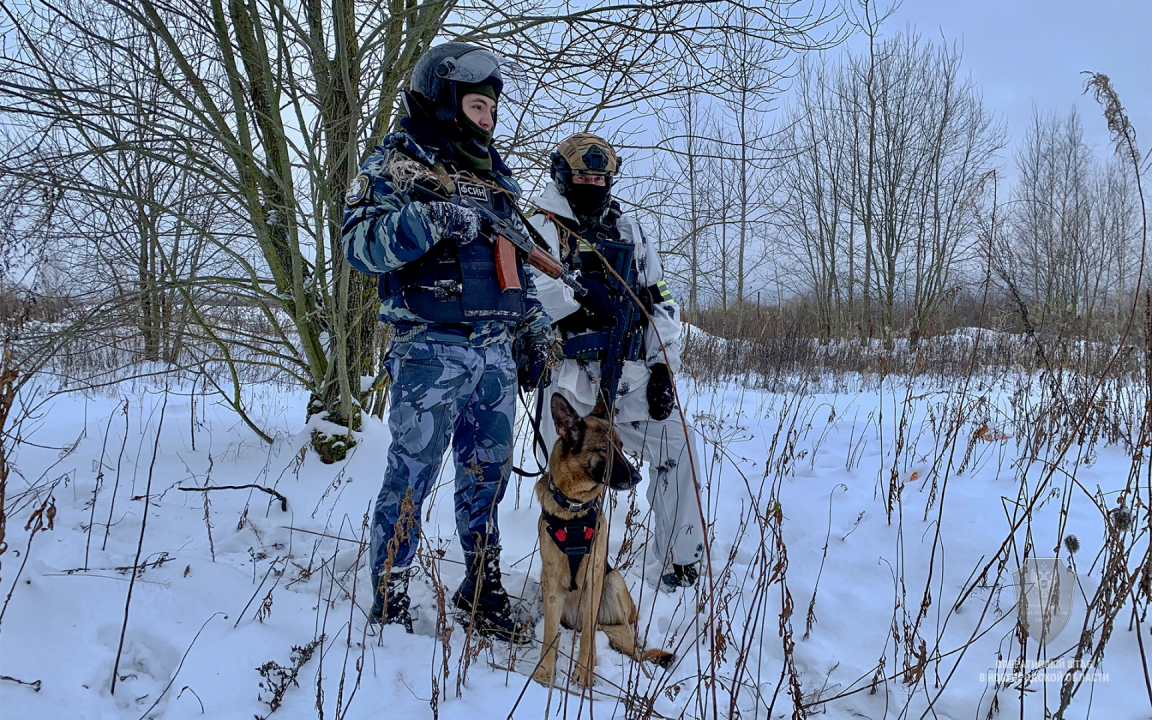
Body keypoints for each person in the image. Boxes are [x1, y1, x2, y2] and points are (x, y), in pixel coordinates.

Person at [343, 43, 553, 640]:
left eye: (492, 110)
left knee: (487, 476)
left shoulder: (493, 176)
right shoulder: (399, 162)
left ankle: (479, 586)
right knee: (410, 474)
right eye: (477, 105)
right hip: (429, 346)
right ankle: (390, 590)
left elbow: (518, 263)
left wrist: (533, 328)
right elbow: (358, 245)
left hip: (494, 352)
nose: (487, 119)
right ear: (443, 98)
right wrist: (430, 220)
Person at [527, 133, 705, 590]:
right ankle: (571, 578)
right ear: (564, 177)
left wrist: (664, 367)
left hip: (629, 380)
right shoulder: (539, 228)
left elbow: (660, 301)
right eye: (583, 176)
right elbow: (530, 298)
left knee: (679, 449)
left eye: (600, 177)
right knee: (569, 479)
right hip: (570, 383)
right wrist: (580, 301)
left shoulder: (630, 232)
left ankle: (680, 562)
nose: (592, 184)